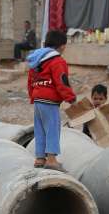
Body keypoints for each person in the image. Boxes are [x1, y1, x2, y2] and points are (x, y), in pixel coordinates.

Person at [27, 30, 76, 172]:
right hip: (49, 102)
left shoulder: (35, 61)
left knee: (40, 129)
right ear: (61, 46)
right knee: (52, 129)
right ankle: (52, 160)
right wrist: (70, 97)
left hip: (37, 100)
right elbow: (62, 81)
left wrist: (33, 96)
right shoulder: (58, 61)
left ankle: (39, 158)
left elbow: (30, 81)